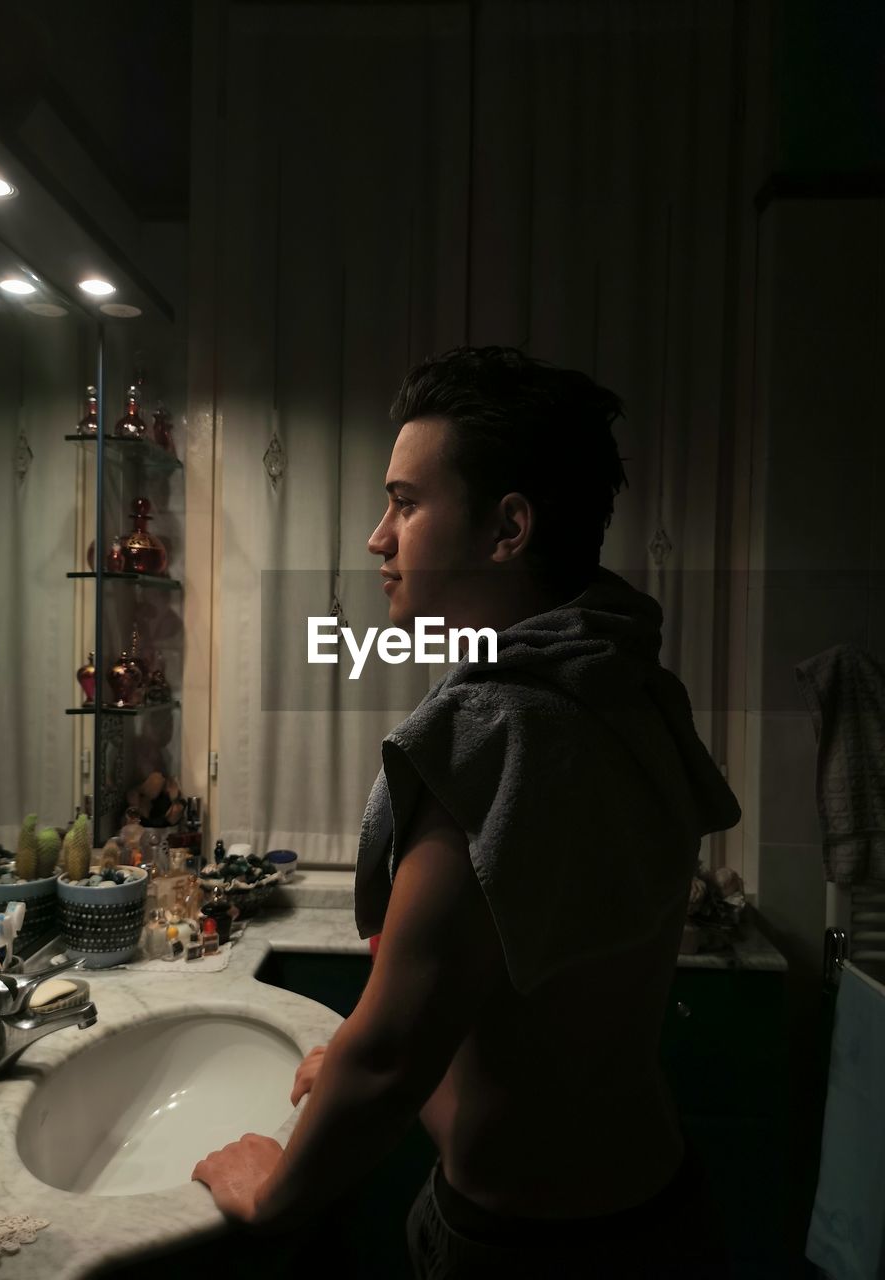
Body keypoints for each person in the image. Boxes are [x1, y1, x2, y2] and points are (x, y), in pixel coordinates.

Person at [193, 346, 740, 1277]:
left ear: (508, 528)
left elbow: (392, 1051)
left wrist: (274, 1189)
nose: (377, 537)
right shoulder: (626, 687)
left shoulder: (500, 733)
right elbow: (529, 1021)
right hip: (657, 1203)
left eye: (406, 503)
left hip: (534, 1248)